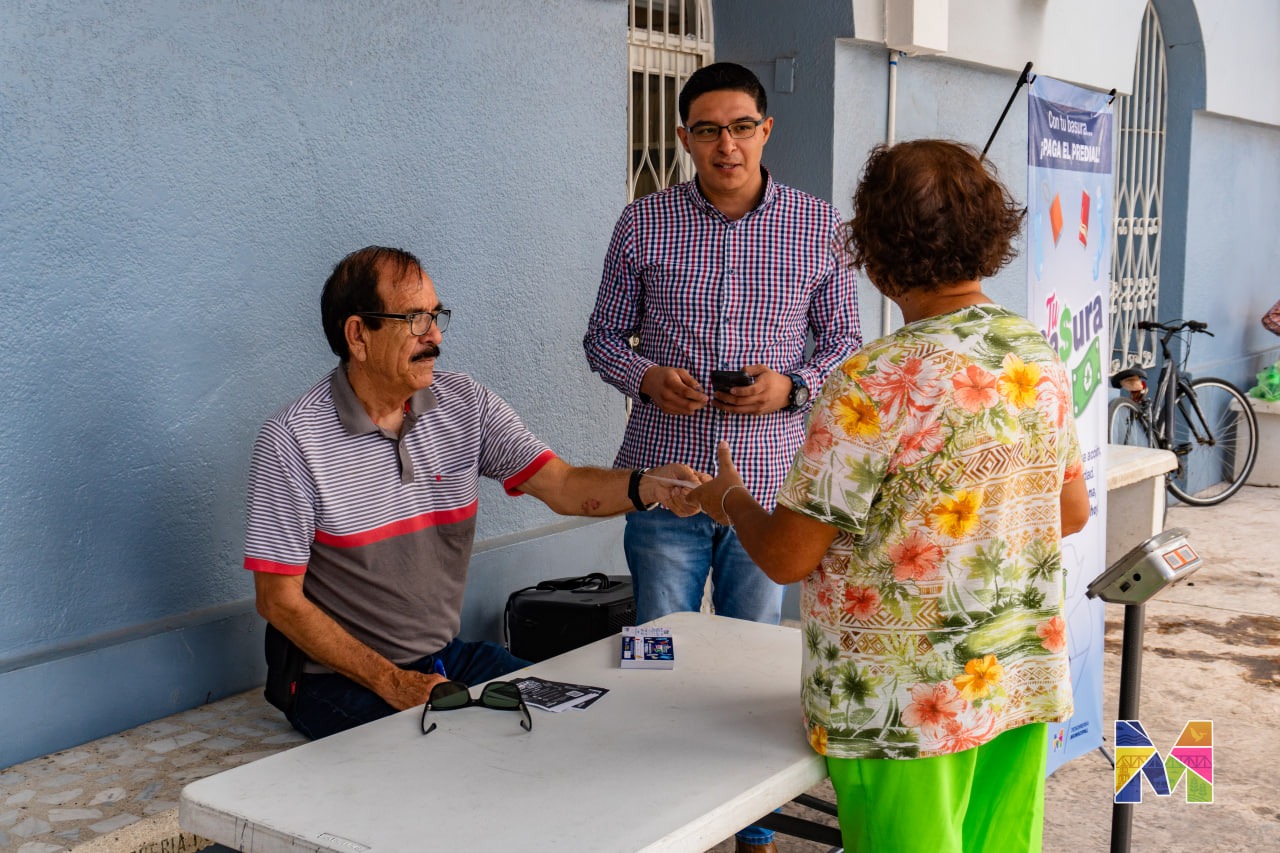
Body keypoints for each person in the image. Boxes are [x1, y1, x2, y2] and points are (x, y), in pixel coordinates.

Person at [689, 140, 1091, 853]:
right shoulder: (1032, 351)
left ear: (875, 254)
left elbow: (786, 556)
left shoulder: (871, 382)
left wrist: (728, 498)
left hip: (903, 706)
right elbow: (1069, 511)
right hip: (1015, 682)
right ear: (988, 236)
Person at [245, 245, 701, 740]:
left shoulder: (466, 404)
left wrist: (649, 485)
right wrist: (392, 681)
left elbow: (565, 485)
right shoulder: (294, 439)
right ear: (358, 334)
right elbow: (278, 601)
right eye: (415, 320)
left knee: (579, 719)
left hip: (446, 657)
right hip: (336, 684)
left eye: (436, 316)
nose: (435, 336)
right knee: (474, 753)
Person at [583, 61, 861, 629]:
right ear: (685, 138)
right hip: (666, 480)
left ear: (766, 129)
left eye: (741, 126)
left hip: (769, 488)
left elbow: (845, 340)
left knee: (751, 653)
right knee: (663, 646)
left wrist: (794, 387)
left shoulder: (818, 224)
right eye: (707, 130)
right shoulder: (642, 222)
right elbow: (602, 339)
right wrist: (645, 377)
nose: (726, 144)